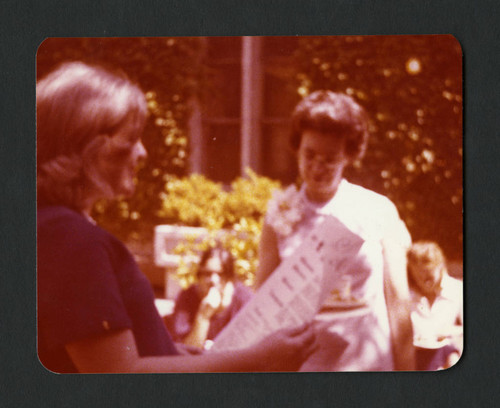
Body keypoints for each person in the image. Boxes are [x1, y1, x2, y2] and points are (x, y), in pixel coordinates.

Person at [37, 61, 316, 373]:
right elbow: (120, 375)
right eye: (130, 138)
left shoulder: (56, 227)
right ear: (86, 146)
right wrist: (261, 360)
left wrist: (166, 351)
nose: (142, 153)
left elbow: (120, 356)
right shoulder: (72, 240)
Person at [256, 90, 415, 371]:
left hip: (369, 367)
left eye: (329, 158)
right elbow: (263, 308)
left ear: (348, 156)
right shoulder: (277, 216)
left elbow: (399, 307)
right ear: (297, 148)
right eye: (309, 154)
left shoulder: (378, 209)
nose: (317, 167)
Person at [168, 244, 253, 350]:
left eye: (220, 274)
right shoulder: (186, 298)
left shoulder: (244, 300)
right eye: (207, 274)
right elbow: (185, 354)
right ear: (199, 276)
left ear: (229, 278)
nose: (213, 280)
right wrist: (203, 317)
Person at [407, 241, 463, 370]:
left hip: (448, 355)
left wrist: (451, 331)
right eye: (417, 275)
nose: (422, 281)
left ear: (440, 266)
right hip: (414, 356)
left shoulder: (457, 290)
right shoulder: (407, 294)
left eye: (428, 274)